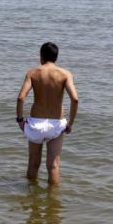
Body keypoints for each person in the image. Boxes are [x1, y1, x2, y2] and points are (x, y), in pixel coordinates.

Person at [16, 42, 79, 185]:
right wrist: (70, 123)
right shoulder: (65, 74)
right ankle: (53, 204)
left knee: (33, 163)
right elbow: (75, 99)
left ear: (41, 56)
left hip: (35, 124)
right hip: (56, 123)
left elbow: (21, 98)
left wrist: (20, 120)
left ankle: (31, 198)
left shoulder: (33, 73)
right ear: (56, 57)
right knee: (53, 165)